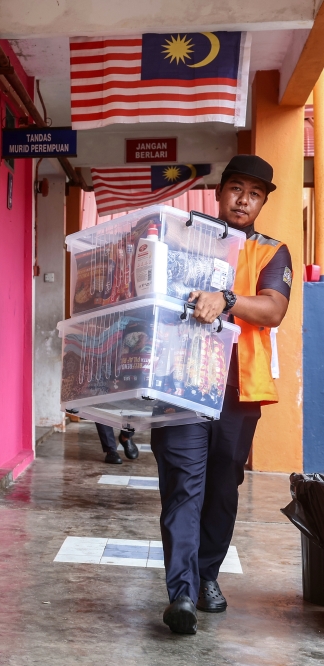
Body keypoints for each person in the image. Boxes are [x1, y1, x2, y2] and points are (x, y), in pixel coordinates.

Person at [153, 155, 292, 635]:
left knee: (221, 488)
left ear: (261, 203)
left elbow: (273, 309)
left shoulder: (271, 252)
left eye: (254, 194)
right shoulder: (184, 237)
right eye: (237, 188)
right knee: (182, 486)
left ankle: (208, 574)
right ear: (219, 190)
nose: (243, 200)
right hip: (181, 381)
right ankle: (183, 594)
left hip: (237, 389)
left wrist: (228, 300)